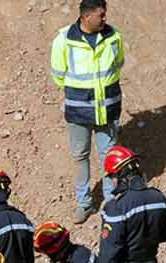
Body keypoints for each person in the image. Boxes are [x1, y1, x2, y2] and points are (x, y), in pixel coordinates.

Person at [50, 0, 126, 224]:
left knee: (109, 157)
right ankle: (84, 203)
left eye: (105, 14)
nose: (105, 19)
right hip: (79, 112)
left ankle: (112, 201)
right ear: (85, 17)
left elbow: (118, 64)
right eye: (100, 15)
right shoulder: (64, 40)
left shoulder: (114, 37)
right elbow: (58, 74)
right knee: (80, 156)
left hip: (108, 109)